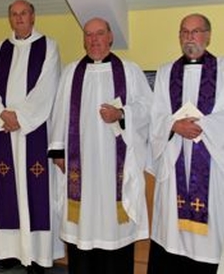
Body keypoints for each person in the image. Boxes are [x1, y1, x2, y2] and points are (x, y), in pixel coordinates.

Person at [147, 13, 224, 274]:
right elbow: (156, 115)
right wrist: (173, 125)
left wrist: (201, 125)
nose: (189, 37)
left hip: (213, 164)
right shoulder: (165, 72)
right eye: (184, 32)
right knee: (172, 231)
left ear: (208, 35)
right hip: (175, 161)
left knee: (214, 227)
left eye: (195, 31)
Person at [49, 17, 152, 274]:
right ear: (84, 40)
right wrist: (59, 152)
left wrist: (122, 114)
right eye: (88, 35)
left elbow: (149, 109)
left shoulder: (129, 70)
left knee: (113, 227)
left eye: (99, 34)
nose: (94, 40)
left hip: (114, 167)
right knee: (83, 227)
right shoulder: (71, 72)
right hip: (79, 167)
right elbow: (59, 113)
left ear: (110, 37)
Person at [0, 0, 64, 274]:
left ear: (33, 16)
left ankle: (38, 255)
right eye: (14, 15)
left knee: (35, 190)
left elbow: (47, 87)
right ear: (10, 19)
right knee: (6, 190)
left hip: (33, 131)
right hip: (5, 131)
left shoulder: (48, 46)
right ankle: (9, 252)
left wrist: (21, 117)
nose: (19, 19)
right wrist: (1, 114)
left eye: (23, 14)